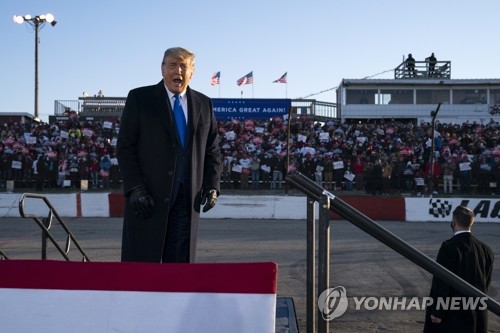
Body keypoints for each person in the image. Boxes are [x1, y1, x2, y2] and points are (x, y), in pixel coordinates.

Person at [117, 47, 221, 263]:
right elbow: (126, 147)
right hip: (148, 199)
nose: (179, 70)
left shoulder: (204, 104)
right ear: (163, 69)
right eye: (173, 65)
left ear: (192, 72)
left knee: (180, 270)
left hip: (187, 200)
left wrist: (212, 186)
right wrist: (135, 188)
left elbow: (212, 149)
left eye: (184, 66)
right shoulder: (140, 98)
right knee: (143, 265)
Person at [424, 205, 494, 333]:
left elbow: (442, 282)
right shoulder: (486, 250)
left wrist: (438, 312)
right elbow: (486, 283)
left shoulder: (449, 247)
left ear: (454, 222)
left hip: (454, 317)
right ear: (471, 223)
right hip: (477, 313)